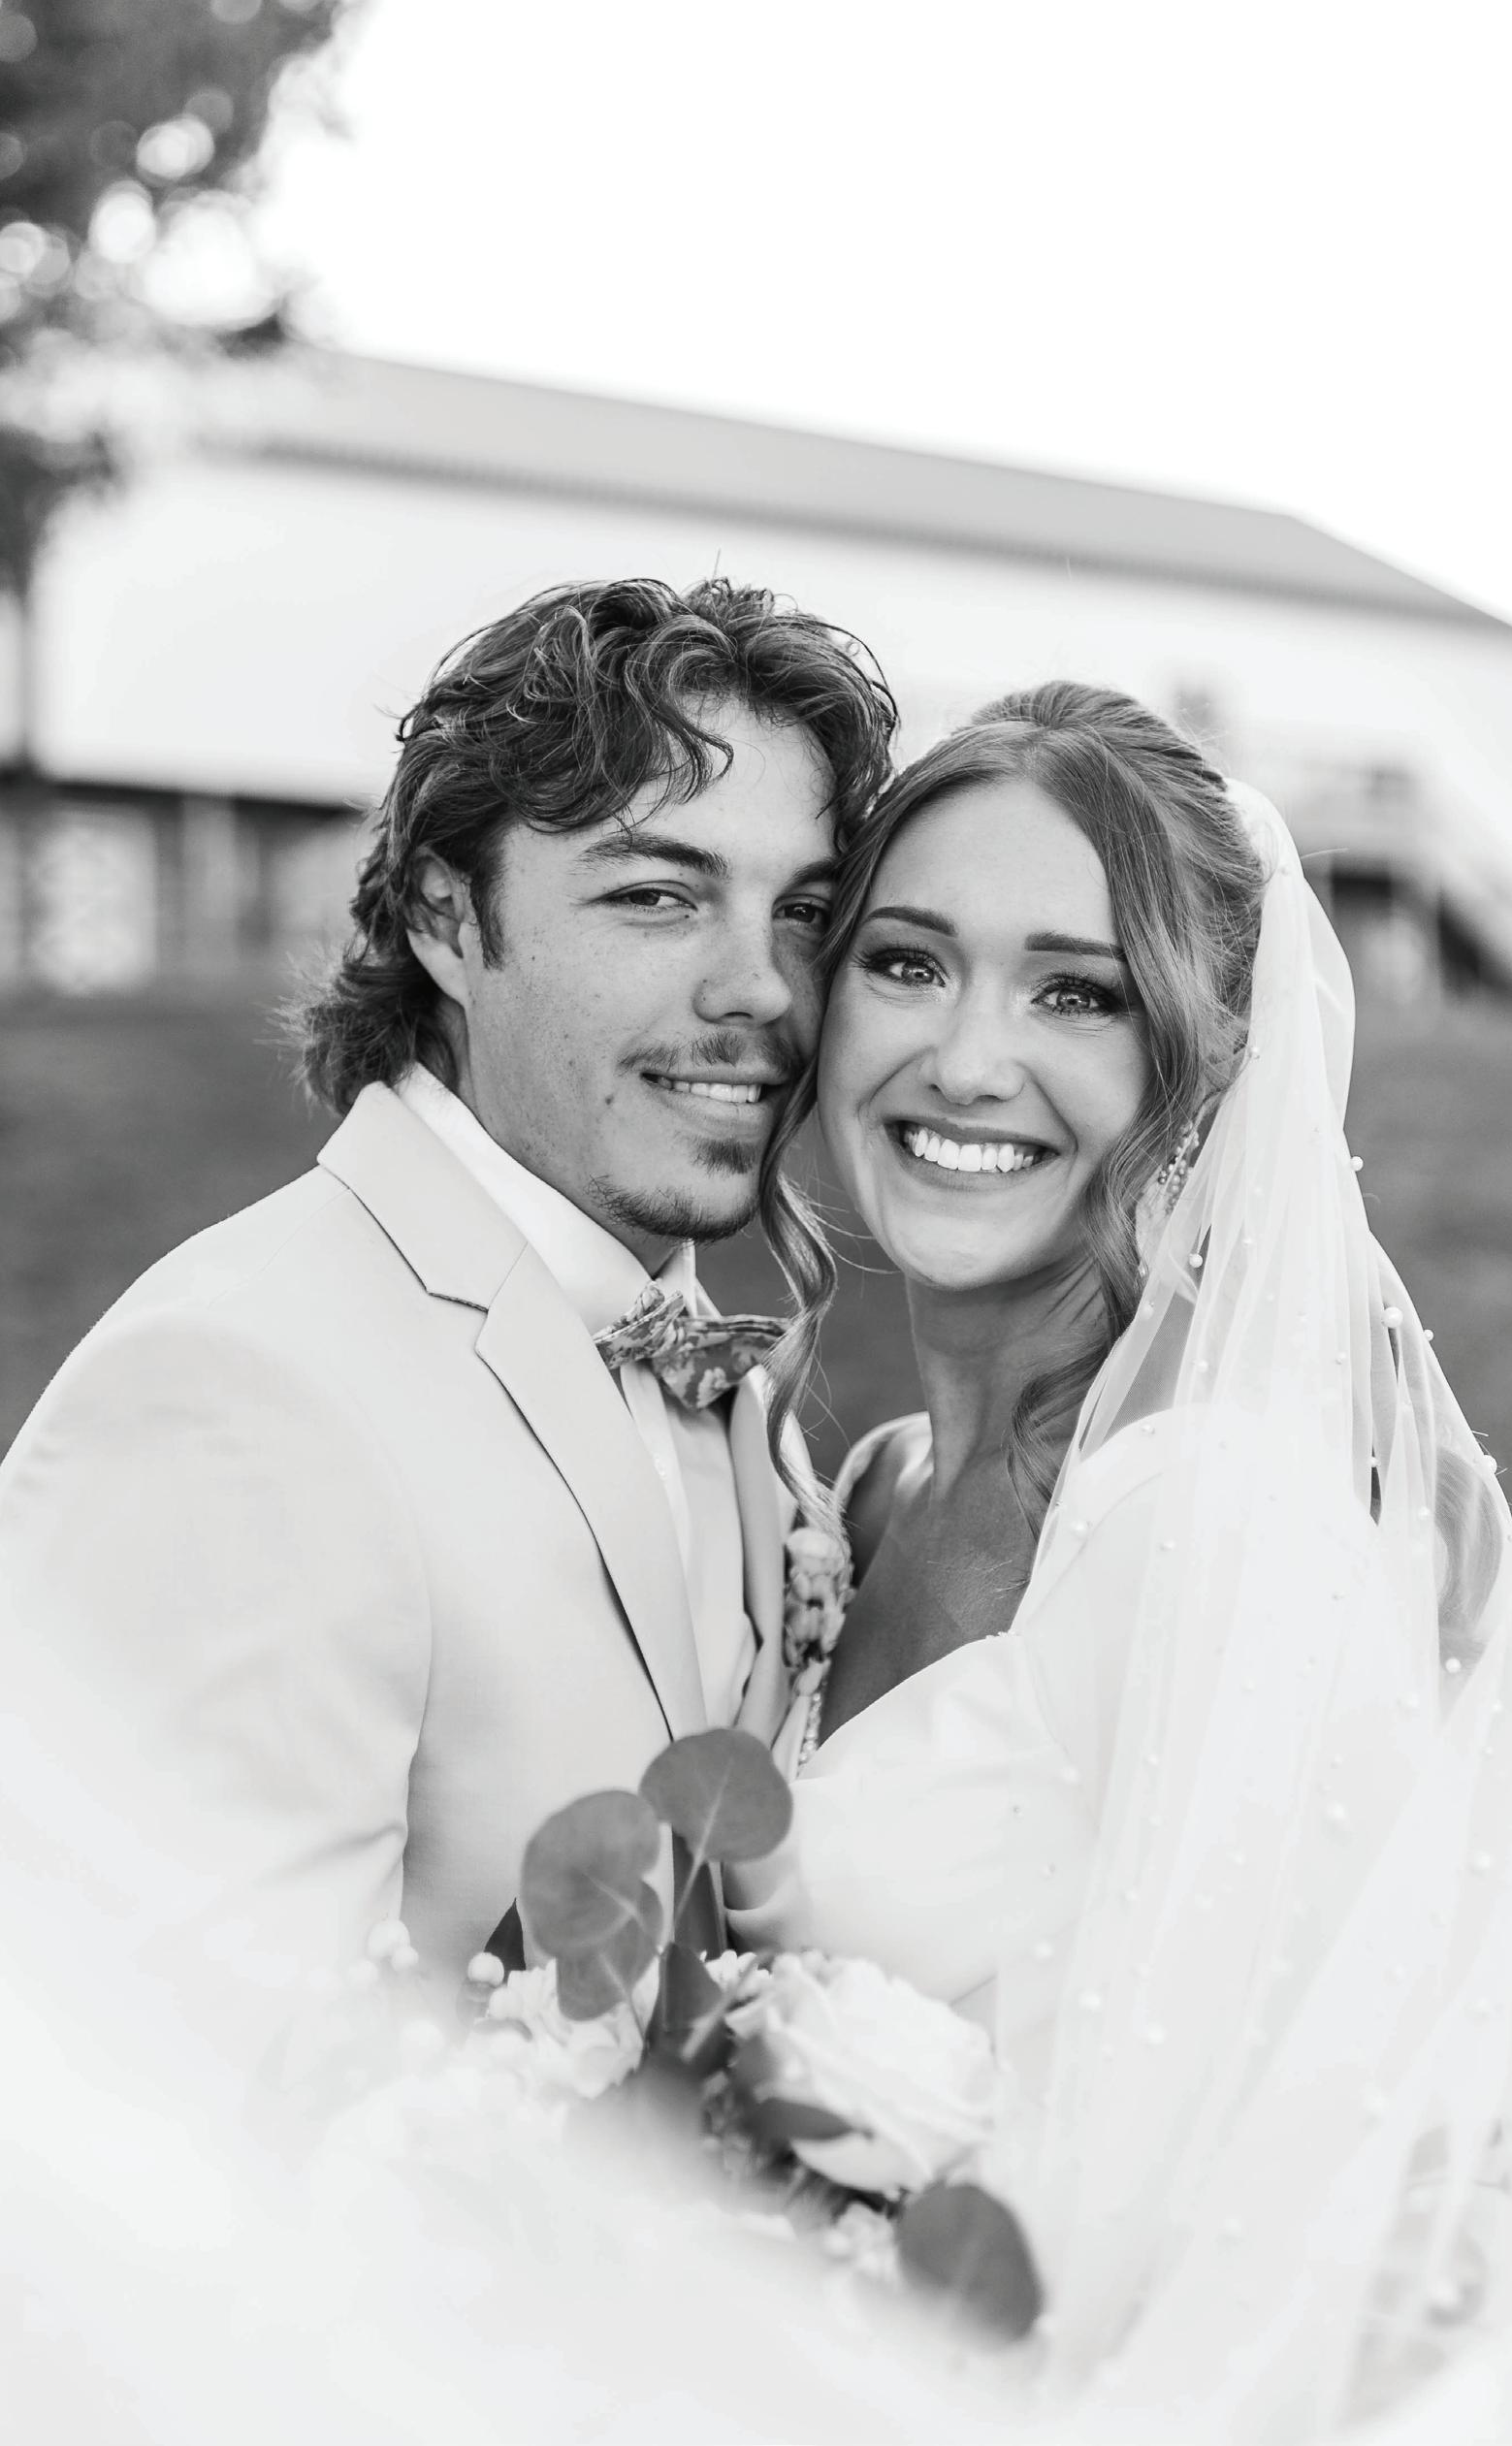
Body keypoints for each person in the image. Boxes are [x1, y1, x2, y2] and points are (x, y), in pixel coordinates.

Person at [732, 682, 1512, 2437]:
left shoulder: (1213, 1523)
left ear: (1201, 1063)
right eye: (907, 961)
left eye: (1076, 992)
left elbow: (1281, 2252)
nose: (968, 1058)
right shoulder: (871, 1492)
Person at [0, 576, 894, 2066]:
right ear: (443, 916)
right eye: (656, 895)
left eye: (801, 910)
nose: (761, 991)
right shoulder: (236, 1389)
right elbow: (139, 2106)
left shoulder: (731, 1383)